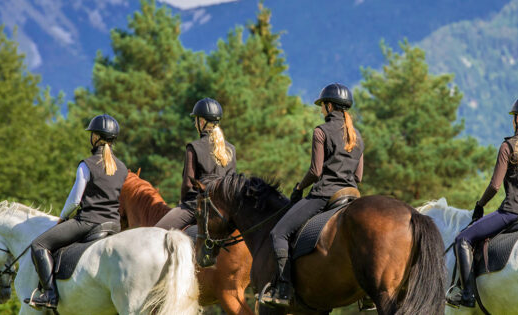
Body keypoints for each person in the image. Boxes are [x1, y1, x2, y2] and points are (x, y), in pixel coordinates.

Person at [260, 83, 365, 307]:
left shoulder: (321, 131)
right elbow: (358, 176)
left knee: (279, 232)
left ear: (329, 106)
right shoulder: (357, 136)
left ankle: (284, 289)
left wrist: (299, 188)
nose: (321, 110)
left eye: (322, 106)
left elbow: (316, 172)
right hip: (351, 194)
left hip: (325, 194)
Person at [447, 95, 518, 308]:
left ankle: (467, 295)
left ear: (517, 119)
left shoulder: (508, 146)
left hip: (512, 212)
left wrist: (480, 204)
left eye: (514, 117)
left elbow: (495, 186)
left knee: (463, 239)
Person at [25, 114, 128, 309]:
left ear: (95, 137)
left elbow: (74, 200)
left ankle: (49, 295)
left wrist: (62, 218)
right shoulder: (122, 168)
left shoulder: (86, 165)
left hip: (88, 222)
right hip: (113, 225)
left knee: (39, 244)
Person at [155, 98, 236, 230]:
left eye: (196, 120)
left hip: (196, 205)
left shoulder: (193, 147)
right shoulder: (231, 149)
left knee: (156, 231)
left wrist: (182, 203)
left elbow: (187, 185)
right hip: (224, 208)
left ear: (202, 122)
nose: (195, 124)